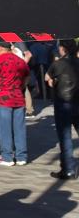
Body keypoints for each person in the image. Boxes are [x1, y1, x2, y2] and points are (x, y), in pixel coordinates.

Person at [0, 42, 30, 166]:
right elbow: (27, 76)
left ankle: (7, 157)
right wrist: (21, 86)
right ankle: (22, 157)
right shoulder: (20, 60)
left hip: (3, 98)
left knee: (4, 129)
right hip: (18, 97)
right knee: (19, 129)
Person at [46, 38, 79, 180]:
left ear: (63, 48)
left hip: (63, 103)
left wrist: (54, 82)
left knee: (65, 138)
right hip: (78, 102)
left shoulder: (57, 64)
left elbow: (48, 79)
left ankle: (68, 169)